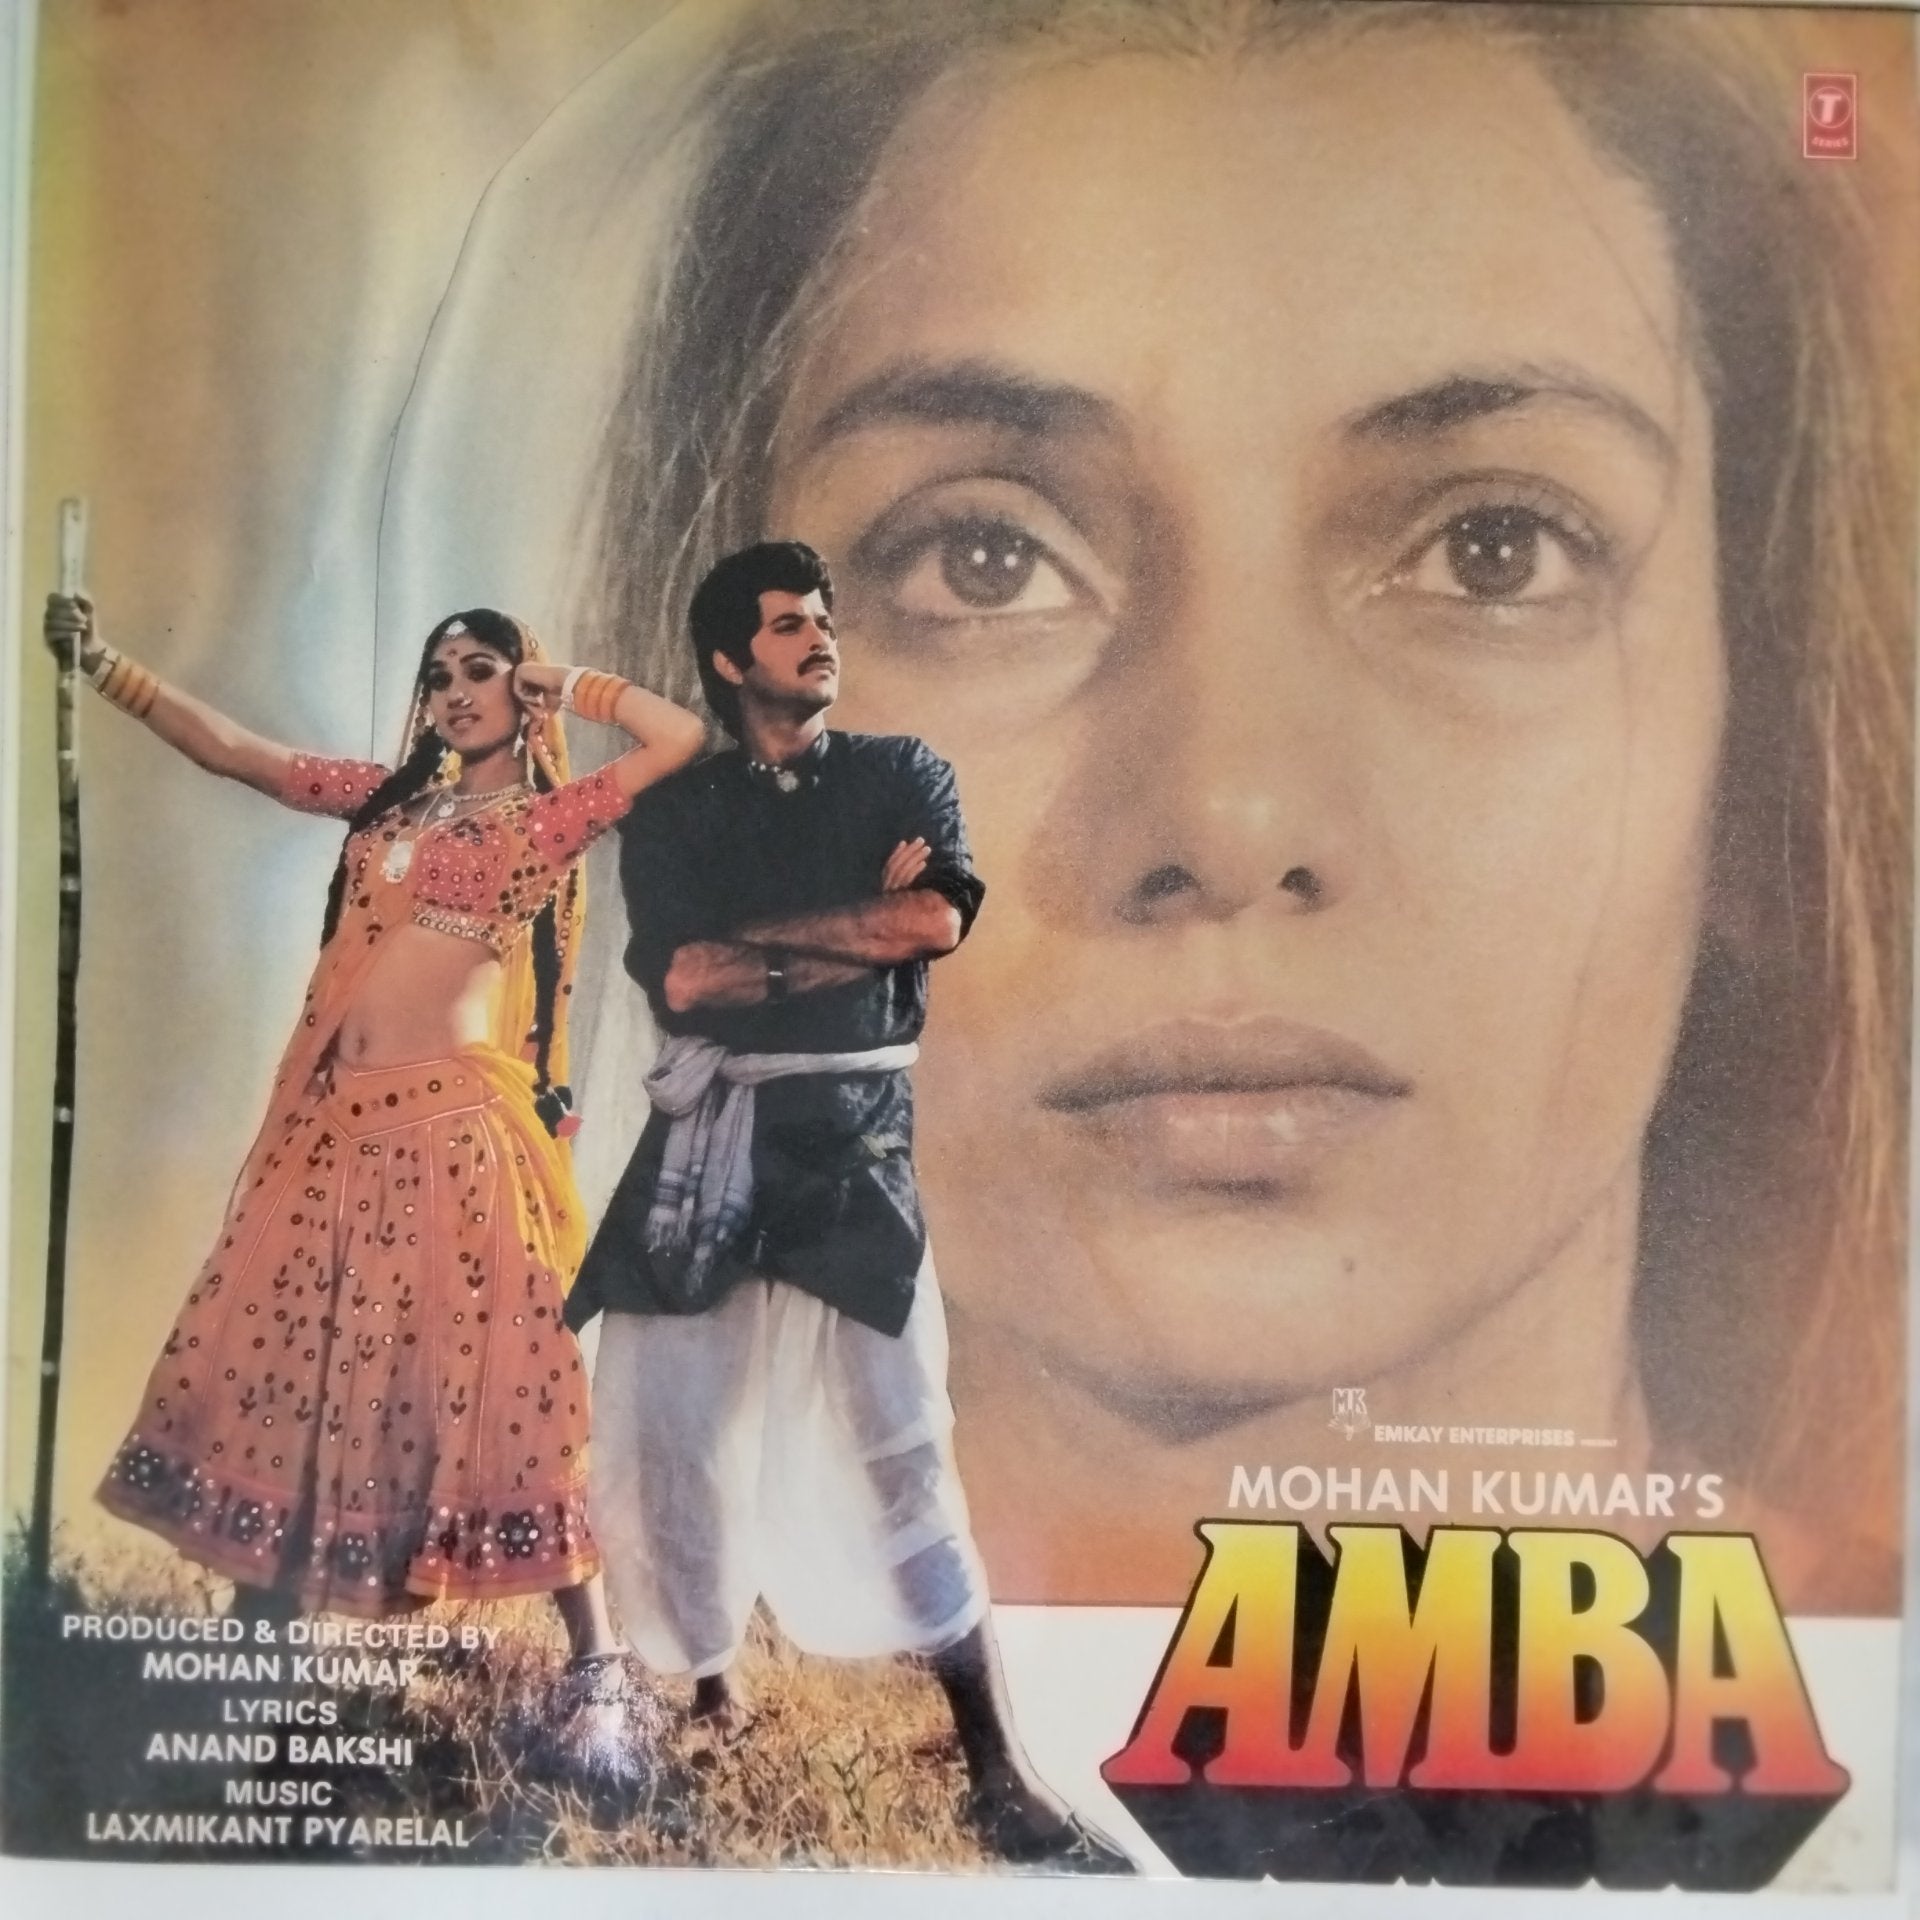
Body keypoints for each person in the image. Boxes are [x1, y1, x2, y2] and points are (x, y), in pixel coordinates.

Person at [387, 1, 1912, 1614]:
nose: (1228, 817)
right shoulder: (506, 1715)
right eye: (984, 560)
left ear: (1766, 757)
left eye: (1494, 552)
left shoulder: (1874, 1745)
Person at [53, 592, 705, 1730]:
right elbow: (243, 757)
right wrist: (107, 664)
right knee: (288, 1367)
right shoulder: (387, 802)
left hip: (455, 1138)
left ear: (520, 686)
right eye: (439, 676)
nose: (455, 692)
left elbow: (679, 738)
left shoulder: (546, 822)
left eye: (481, 669)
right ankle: (260, 1637)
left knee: (507, 1383)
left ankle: (596, 1669)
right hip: (334, 1133)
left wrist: (564, 683)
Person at [567, 540, 1125, 1868]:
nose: (821, 636)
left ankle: (998, 1767)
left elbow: (931, 925)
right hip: (705, 1143)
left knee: (901, 1435)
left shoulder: (901, 772)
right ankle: (708, 1698)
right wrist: (849, 924)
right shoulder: (679, 808)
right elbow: (681, 983)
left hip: (851, 1146)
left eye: (823, 618)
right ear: (728, 658)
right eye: (787, 623)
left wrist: (776, 943)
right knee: (672, 1434)